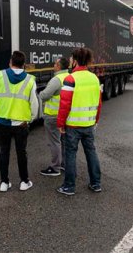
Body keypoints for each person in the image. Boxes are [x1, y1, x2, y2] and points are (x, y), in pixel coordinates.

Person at [0, 51, 39, 192]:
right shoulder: (30, 80)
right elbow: (34, 104)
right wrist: (29, 119)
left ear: (10, 62)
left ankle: (4, 183)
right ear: (24, 64)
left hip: (3, 122)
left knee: (4, 152)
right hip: (21, 123)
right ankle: (24, 181)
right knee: (21, 152)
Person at [56, 48, 103, 196]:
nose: (70, 61)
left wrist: (60, 124)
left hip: (73, 126)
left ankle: (69, 186)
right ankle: (96, 183)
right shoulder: (94, 78)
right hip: (89, 125)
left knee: (70, 154)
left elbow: (64, 104)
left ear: (75, 60)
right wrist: (95, 120)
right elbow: (99, 103)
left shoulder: (70, 79)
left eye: (71, 59)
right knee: (91, 152)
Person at [38, 57, 70, 176]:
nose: (54, 65)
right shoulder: (69, 77)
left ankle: (55, 168)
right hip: (65, 115)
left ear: (59, 66)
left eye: (56, 64)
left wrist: (38, 94)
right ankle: (63, 164)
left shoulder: (56, 79)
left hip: (53, 116)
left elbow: (45, 95)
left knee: (54, 142)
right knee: (63, 141)